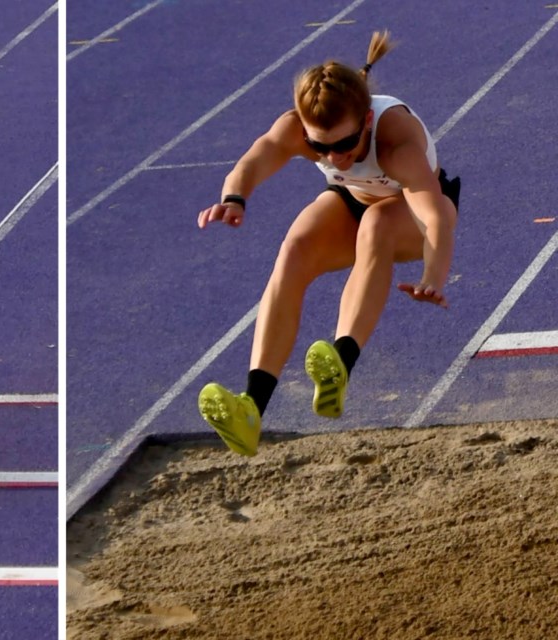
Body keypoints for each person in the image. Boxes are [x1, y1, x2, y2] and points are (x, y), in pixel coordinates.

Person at [196, 31, 459, 456]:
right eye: (321, 146)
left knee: (376, 224)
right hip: (351, 202)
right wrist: (233, 198)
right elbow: (254, 160)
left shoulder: (394, 139)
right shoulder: (297, 130)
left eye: (345, 145)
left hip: (417, 214)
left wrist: (434, 274)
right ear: (304, 128)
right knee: (295, 247)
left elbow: (434, 218)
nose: (334, 157)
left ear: (367, 124)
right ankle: (251, 409)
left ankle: (342, 359)